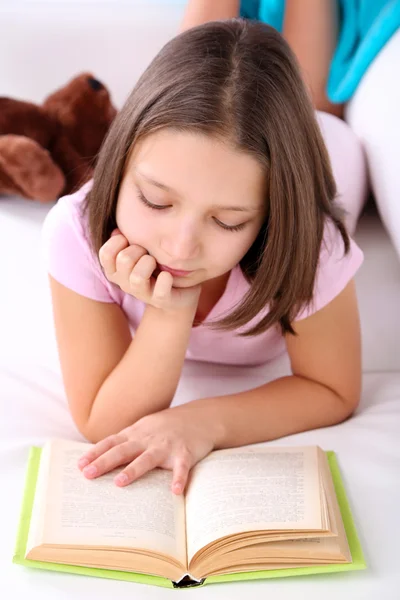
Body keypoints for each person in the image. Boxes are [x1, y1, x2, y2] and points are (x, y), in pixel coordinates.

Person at [42, 19, 364, 496]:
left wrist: (204, 422)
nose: (179, 248)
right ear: (120, 160)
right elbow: (101, 421)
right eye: (155, 200)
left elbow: (334, 389)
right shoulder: (75, 230)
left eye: (229, 221)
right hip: (236, 143)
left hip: (328, 141)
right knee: (220, 52)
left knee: (315, 92)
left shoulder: (311, 243)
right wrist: (170, 311)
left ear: (270, 216)